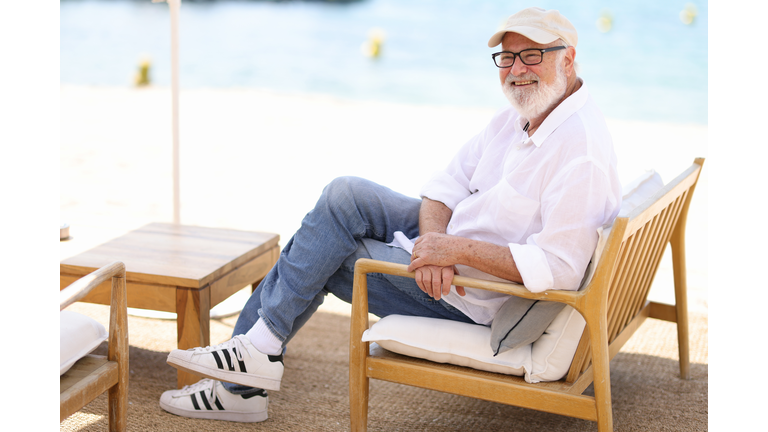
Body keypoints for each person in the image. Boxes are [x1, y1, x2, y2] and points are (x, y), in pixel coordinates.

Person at [159, 6, 622, 423]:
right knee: (343, 195)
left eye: (532, 55)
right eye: (508, 58)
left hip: (473, 297)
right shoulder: (522, 115)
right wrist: (434, 245)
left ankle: (246, 375)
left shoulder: (578, 151)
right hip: (448, 255)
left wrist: (452, 250)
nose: (517, 70)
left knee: (326, 249)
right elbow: (447, 185)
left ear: (568, 58)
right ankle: (256, 353)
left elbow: (559, 268)